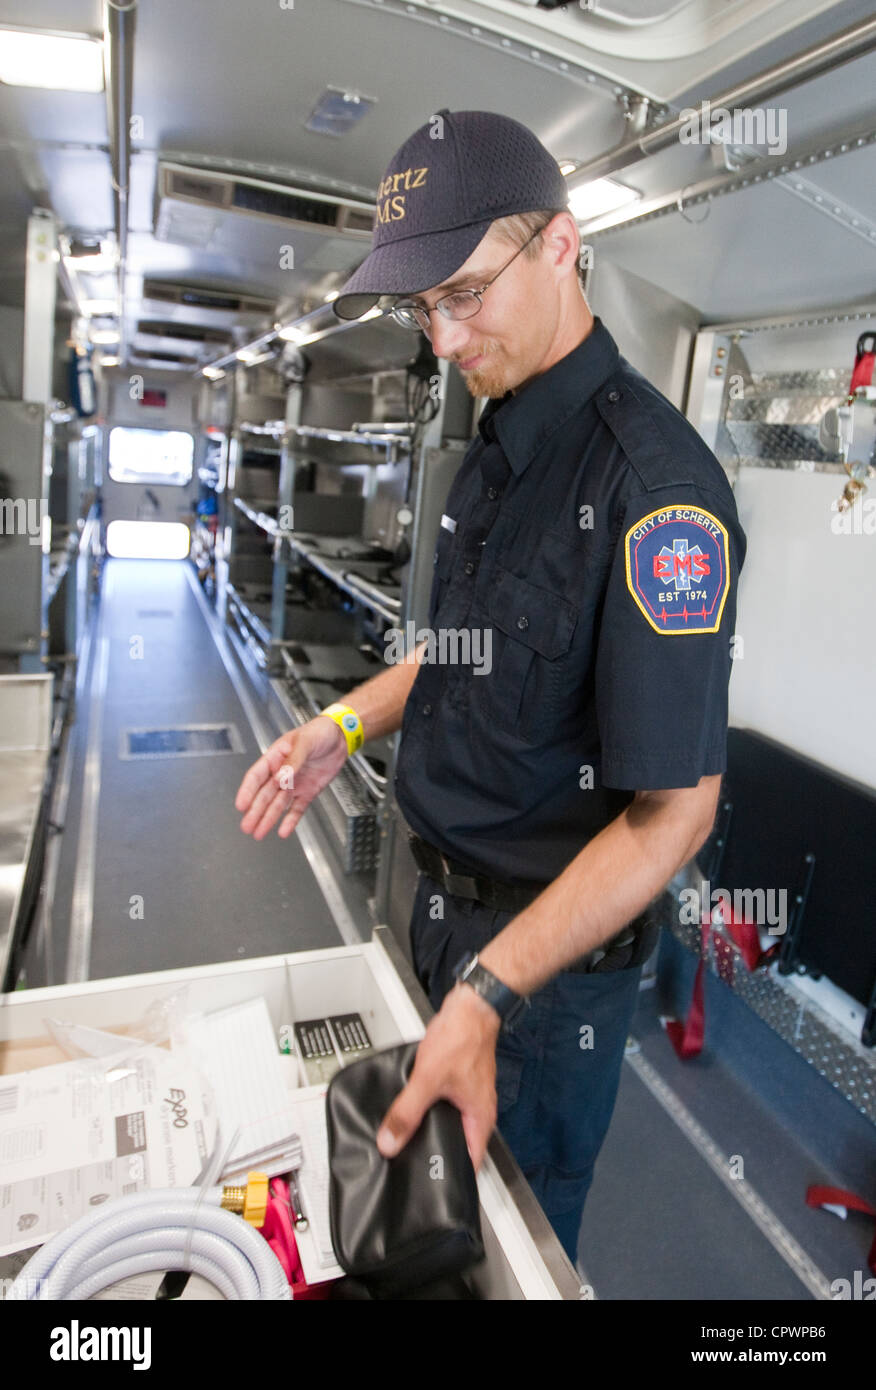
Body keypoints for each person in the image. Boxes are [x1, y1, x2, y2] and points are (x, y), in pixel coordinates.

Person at [235, 109, 747, 1266]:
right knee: (410, 1231)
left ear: (562, 246)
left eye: (464, 292)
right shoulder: (501, 437)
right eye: (425, 310)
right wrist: (345, 720)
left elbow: (680, 809)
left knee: (504, 1257)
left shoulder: (660, 495)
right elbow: (470, 645)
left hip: (539, 988)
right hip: (435, 916)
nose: (445, 340)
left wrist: (488, 991)